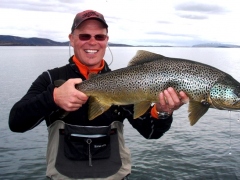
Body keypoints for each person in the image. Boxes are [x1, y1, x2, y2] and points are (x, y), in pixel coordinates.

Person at [9, 10, 189, 180]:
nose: (92, 42)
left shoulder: (125, 82)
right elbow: (16, 122)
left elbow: (150, 133)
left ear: (106, 40)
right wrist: (53, 98)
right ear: (71, 39)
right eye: (84, 36)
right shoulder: (51, 79)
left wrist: (163, 112)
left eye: (99, 36)